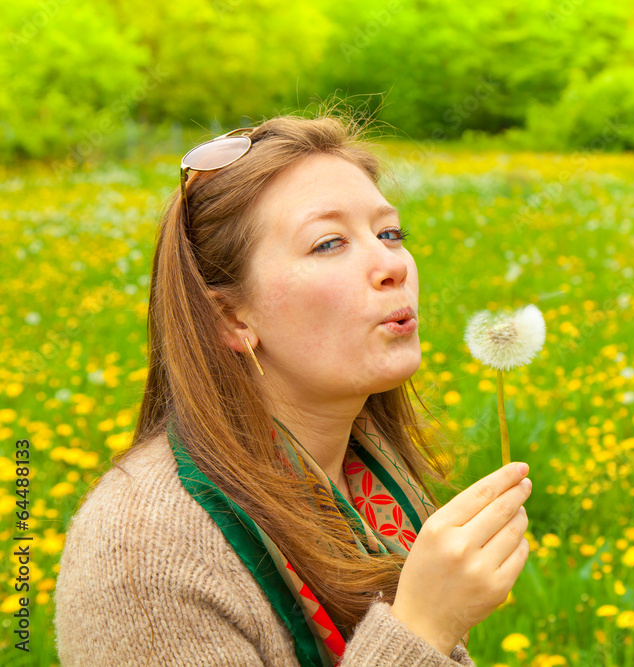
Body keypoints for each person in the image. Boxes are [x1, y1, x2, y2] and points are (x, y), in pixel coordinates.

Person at [53, 112, 534, 666]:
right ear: (231, 318)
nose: (391, 265)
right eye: (329, 243)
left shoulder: (366, 468)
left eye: (389, 233)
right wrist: (422, 627)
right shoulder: (142, 554)